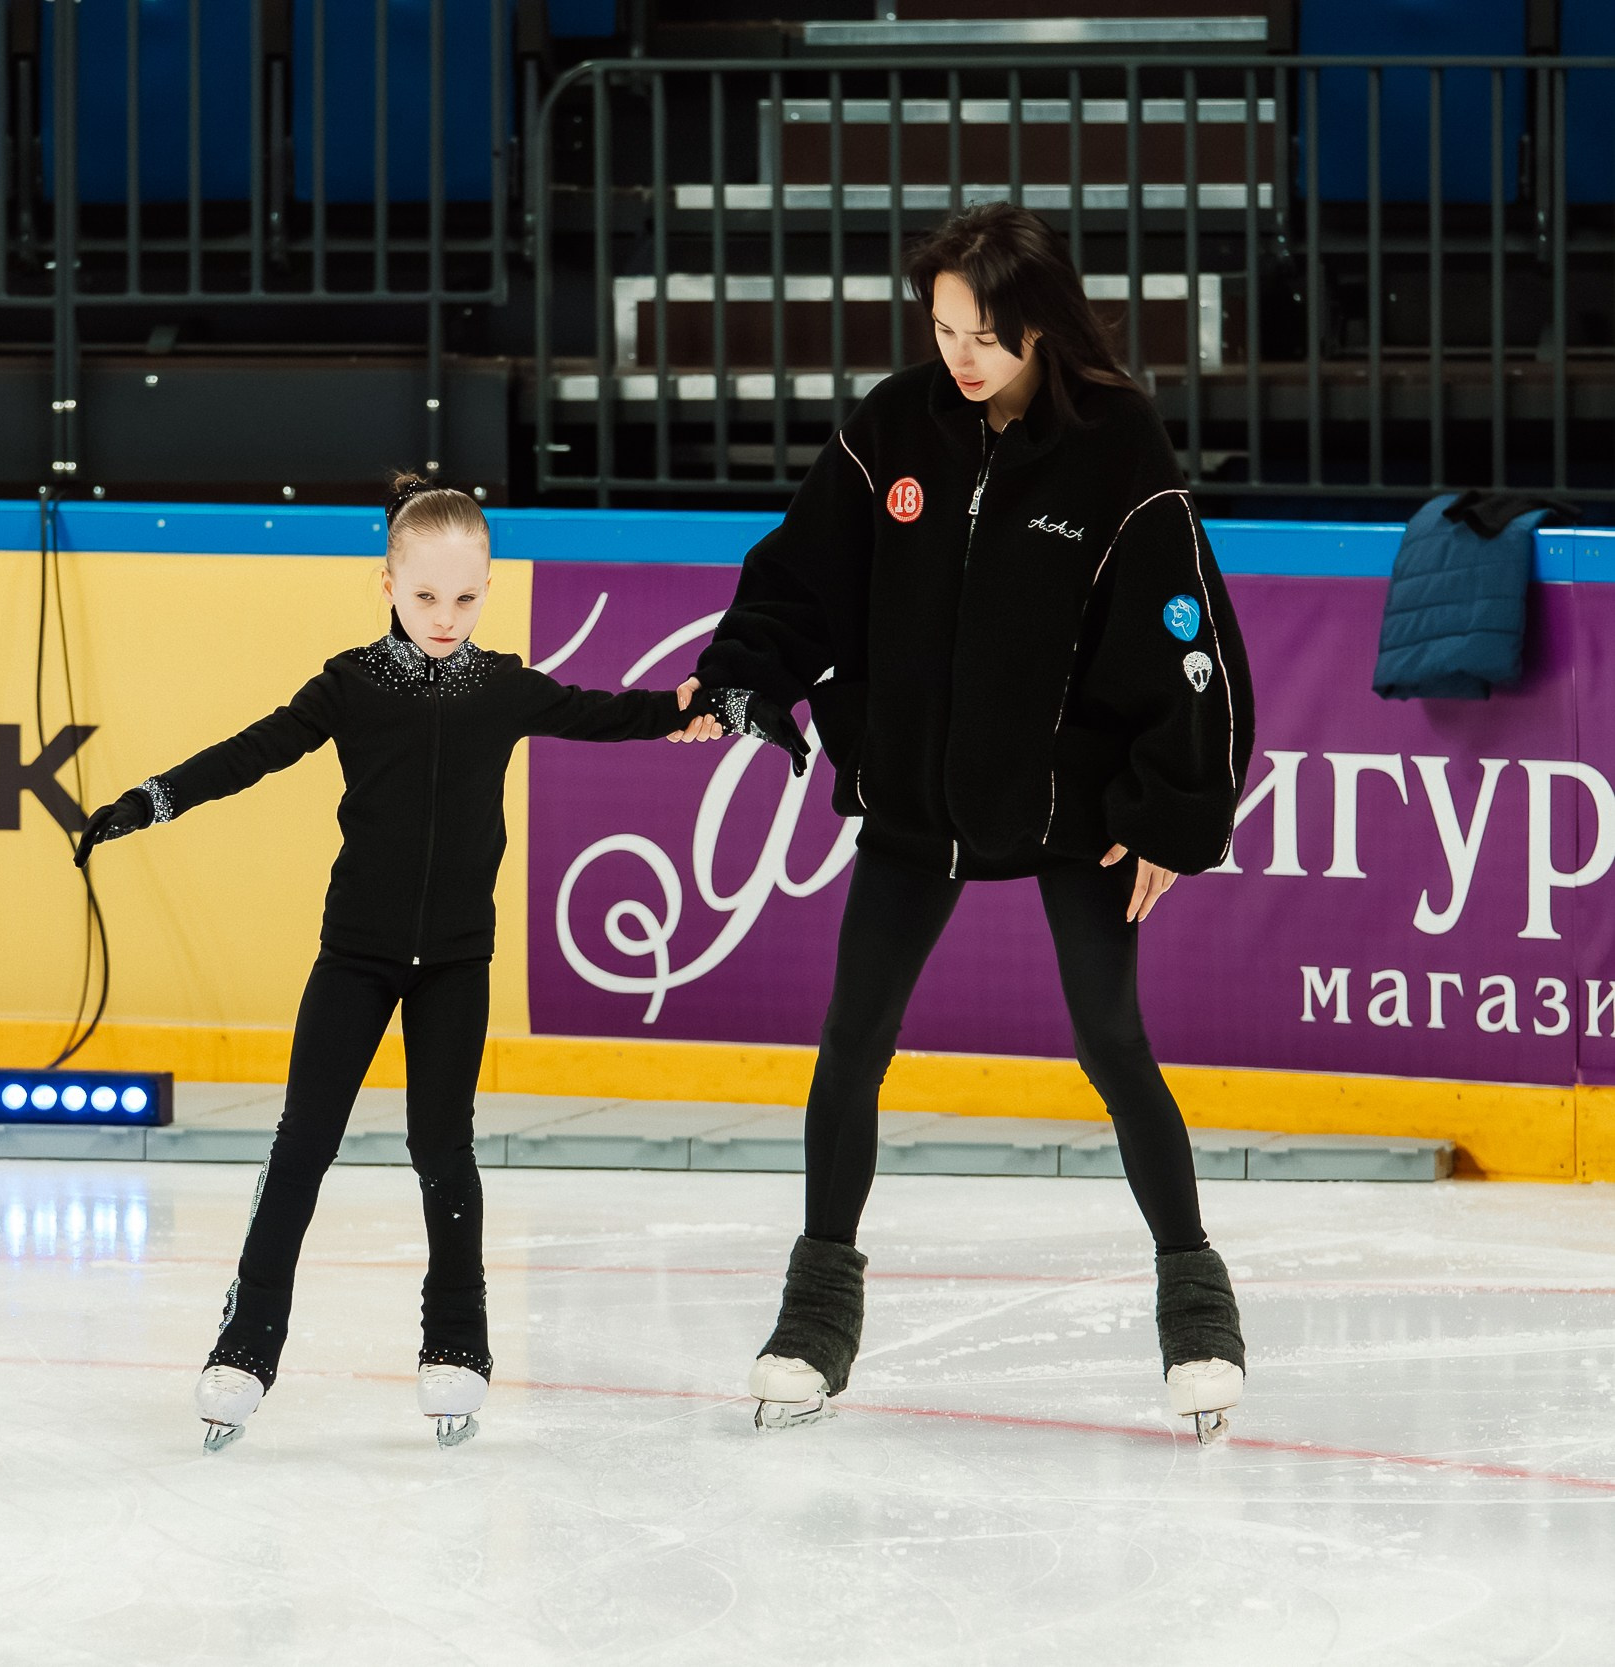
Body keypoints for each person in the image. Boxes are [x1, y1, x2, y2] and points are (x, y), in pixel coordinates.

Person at [677, 201, 1256, 1442]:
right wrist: (744, 673)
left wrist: (1170, 815)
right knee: (852, 1040)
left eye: (985, 333)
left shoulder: (1118, 447)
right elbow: (800, 574)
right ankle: (811, 1322)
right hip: (913, 800)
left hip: (1068, 809)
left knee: (1111, 1039)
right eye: (943, 329)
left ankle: (1197, 1312)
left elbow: (1187, 640)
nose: (961, 356)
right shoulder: (891, 427)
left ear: (1040, 325)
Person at [75, 476, 703, 1451]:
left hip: (454, 960)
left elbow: (609, 712)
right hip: (356, 954)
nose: (446, 617)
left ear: (488, 586)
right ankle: (245, 1346)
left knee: (440, 1147)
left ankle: (456, 1341)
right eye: (425, 597)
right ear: (387, 585)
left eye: (465, 596)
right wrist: (148, 799)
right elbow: (249, 752)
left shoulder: (503, 687)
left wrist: (693, 707)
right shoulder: (351, 685)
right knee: (302, 1142)